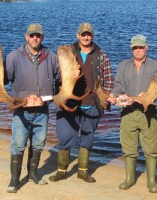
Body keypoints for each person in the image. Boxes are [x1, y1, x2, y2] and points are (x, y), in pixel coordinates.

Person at [0, 23, 60, 193]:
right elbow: (2, 79)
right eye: (32, 35)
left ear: (42, 37)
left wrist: (72, 76)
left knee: (39, 144)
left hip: (42, 110)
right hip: (21, 110)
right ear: (26, 37)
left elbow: (60, 78)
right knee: (18, 145)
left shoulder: (51, 56)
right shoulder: (14, 56)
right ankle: (14, 180)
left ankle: (33, 174)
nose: (35, 38)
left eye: (38, 35)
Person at [49, 22, 114, 183]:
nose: (86, 37)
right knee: (64, 136)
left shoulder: (101, 55)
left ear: (92, 36)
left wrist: (107, 97)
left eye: (89, 34)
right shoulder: (67, 52)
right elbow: (56, 76)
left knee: (88, 138)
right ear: (77, 35)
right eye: (83, 34)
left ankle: (82, 172)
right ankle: (61, 170)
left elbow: (108, 80)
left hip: (92, 104)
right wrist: (70, 74)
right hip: (69, 103)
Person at [108, 34, 157, 193]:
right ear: (131, 49)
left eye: (141, 47)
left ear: (146, 47)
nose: (138, 50)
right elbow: (118, 85)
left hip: (148, 113)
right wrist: (114, 95)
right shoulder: (123, 65)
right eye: (135, 47)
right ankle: (129, 178)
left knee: (151, 147)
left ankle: (151, 182)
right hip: (128, 113)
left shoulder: (155, 65)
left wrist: (148, 95)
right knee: (129, 147)